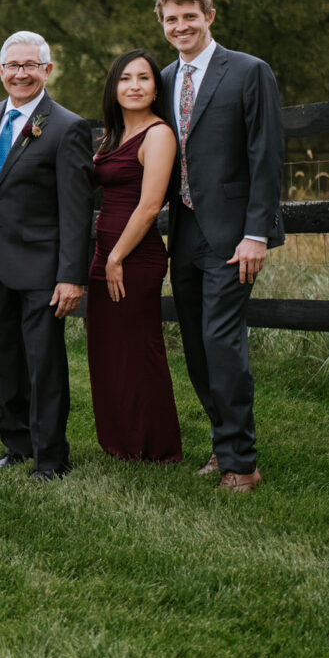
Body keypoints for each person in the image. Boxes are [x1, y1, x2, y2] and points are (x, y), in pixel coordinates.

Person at [155, 0, 284, 493]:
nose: (181, 26)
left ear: (210, 15)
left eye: (190, 16)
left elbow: (266, 155)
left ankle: (242, 463)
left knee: (222, 341)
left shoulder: (250, 72)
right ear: (162, 25)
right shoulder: (163, 78)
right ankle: (221, 442)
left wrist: (257, 233)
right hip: (183, 230)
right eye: (171, 19)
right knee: (195, 344)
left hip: (234, 234)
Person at [0, 32, 93, 481]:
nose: (20, 73)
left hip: (45, 269)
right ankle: (17, 444)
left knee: (44, 364)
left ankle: (51, 457)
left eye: (30, 65)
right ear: (0, 71)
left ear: (47, 70)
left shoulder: (66, 126)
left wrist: (71, 275)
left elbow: (77, 210)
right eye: (12, 65)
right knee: (5, 359)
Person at [86, 49, 182, 463]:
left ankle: (156, 447)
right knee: (108, 349)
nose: (135, 86)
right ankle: (121, 442)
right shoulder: (113, 135)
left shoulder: (158, 134)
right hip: (105, 253)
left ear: (155, 88)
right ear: (114, 87)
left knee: (140, 348)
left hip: (133, 257)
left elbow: (149, 206)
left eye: (144, 78)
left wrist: (116, 257)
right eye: (126, 78)